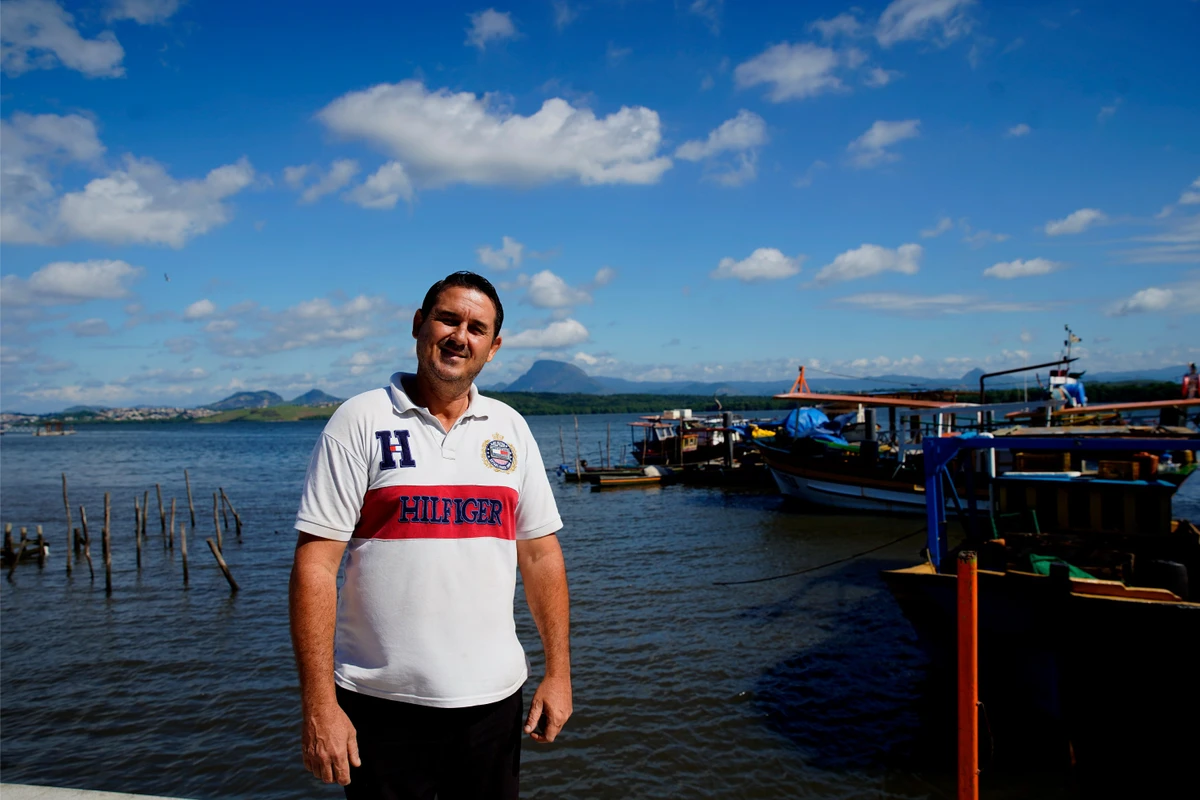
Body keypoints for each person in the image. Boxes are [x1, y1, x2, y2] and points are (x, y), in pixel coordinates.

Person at [289, 271, 571, 799]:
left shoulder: (509, 428)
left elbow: (539, 556)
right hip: (380, 706)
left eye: (477, 328)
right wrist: (320, 705)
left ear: (493, 347)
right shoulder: (359, 421)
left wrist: (559, 674)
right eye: (448, 318)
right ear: (419, 324)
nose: (460, 335)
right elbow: (316, 566)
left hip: (494, 704)